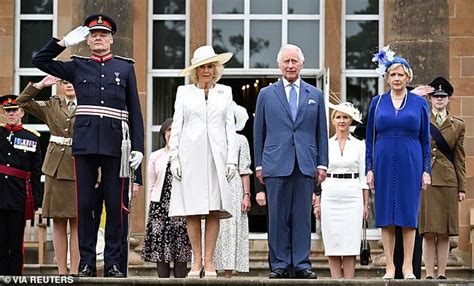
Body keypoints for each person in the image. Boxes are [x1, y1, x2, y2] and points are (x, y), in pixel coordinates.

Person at [32, 13, 145, 278]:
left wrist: (138, 146)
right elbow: (39, 60)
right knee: (85, 207)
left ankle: (114, 263)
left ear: (111, 40)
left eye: (103, 34)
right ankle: (86, 263)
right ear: (87, 40)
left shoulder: (125, 68)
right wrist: (62, 42)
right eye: (93, 34)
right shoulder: (76, 65)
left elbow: (135, 112)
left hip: (116, 146)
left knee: (115, 206)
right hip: (84, 146)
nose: (97, 38)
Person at [253, 44, 328, 279]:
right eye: (286, 61)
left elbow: (321, 132)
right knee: (277, 218)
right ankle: (280, 264)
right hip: (275, 163)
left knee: (302, 218)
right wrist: (258, 165)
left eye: (294, 61)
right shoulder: (266, 94)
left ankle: (302, 263)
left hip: (305, 163)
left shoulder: (315, 95)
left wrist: (322, 163)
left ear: (302, 64)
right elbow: (259, 132)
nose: (290, 65)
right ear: (279, 65)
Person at [168, 45, 237, 278]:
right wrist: (174, 157)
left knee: (213, 210)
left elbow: (230, 128)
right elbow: (177, 126)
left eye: (210, 66)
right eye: (201, 67)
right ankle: (196, 261)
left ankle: (209, 262)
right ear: (195, 71)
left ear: (216, 69)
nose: (206, 71)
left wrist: (232, 161)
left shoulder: (225, 92)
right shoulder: (183, 92)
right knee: (193, 211)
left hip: (217, 157)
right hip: (190, 157)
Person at [366, 46, 431, 280]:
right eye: (392, 74)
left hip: (410, 160)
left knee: (407, 214)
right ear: (387, 77)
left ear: (408, 77)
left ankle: (407, 267)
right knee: (385, 215)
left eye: (400, 74)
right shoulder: (377, 101)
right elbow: (370, 138)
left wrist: (426, 170)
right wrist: (369, 168)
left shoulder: (418, 103)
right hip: (383, 160)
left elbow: (425, 139)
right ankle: (390, 267)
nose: (396, 78)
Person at [16, 75, 80, 276]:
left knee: (78, 222)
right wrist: (40, 85)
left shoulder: (89, 104)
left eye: (73, 80)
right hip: (56, 168)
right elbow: (22, 102)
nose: (69, 84)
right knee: (59, 221)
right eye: (65, 81)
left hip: (80, 167)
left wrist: (98, 173)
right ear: (59, 85)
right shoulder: (52, 104)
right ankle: (62, 272)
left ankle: (76, 272)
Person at [313, 102, 369, 279]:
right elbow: (319, 175)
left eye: (345, 117)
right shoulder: (325, 145)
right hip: (330, 193)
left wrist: (366, 204)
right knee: (333, 242)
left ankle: (350, 282)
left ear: (350, 120)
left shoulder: (360, 145)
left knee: (350, 243)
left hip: (353, 195)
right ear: (333, 120)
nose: (342, 121)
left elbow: (363, 178)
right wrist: (317, 202)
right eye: (338, 117)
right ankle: (335, 281)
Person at [419, 77, 466, 280]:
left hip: (448, 181)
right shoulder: (421, 120)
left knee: (445, 231)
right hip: (426, 180)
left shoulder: (457, 125)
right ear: (429, 98)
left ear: (448, 99)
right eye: (436, 96)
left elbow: (460, 158)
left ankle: (441, 273)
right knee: (429, 230)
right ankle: (428, 273)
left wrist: (462, 187)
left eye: (443, 96)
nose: (439, 99)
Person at [141, 118, 192, 278]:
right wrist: (150, 212)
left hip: (181, 208)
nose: (171, 134)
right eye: (168, 130)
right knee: (161, 253)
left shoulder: (187, 156)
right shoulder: (155, 156)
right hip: (159, 209)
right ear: (164, 134)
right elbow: (151, 185)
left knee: (181, 252)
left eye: (174, 130)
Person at [0, 95, 42, 275]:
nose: (11, 114)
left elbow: (36, 172)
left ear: (22, 113)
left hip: (18, 196)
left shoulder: (31, 137)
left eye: (14, 110)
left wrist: (37, 201)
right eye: (7, 111)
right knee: (0, 242)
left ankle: (15, 278)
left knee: (16, 243)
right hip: (0, 194)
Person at [214, 103, 252, 278]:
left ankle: (228, 274)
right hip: (213, 185)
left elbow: (244, 170)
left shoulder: (241, 140)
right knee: (210, 225)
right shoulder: (210, 137)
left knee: (230, 228)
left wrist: (246, 195)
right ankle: (209, 270)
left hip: (234, 187)